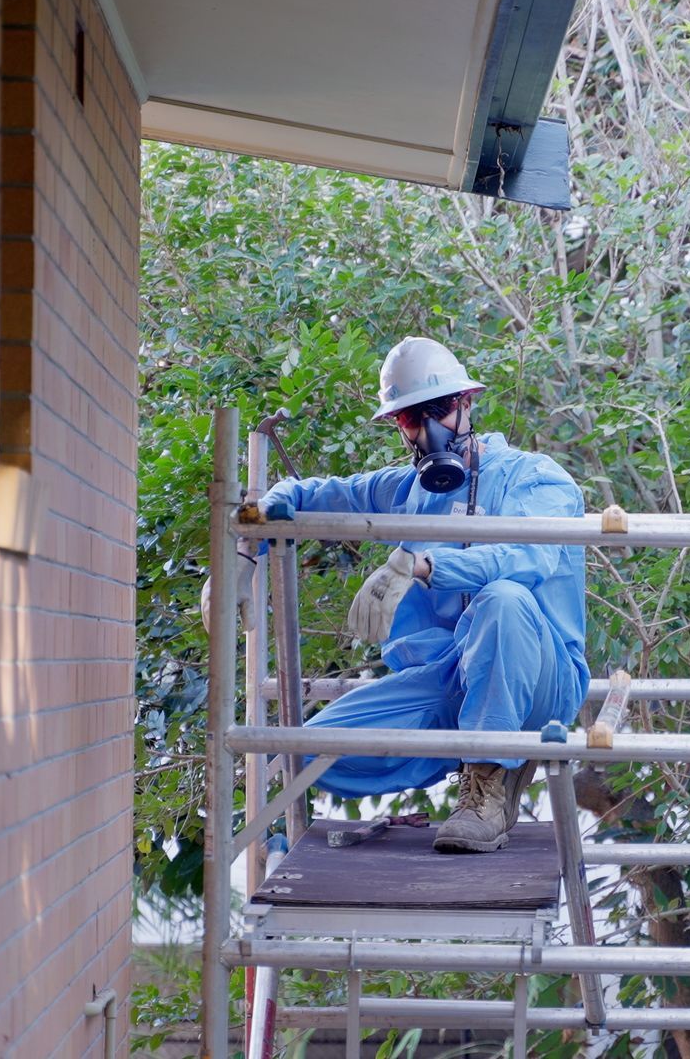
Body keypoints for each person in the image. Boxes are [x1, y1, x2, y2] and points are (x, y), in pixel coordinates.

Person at [213, 337, 589, 853]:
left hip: (538, 681)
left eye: (438, 410)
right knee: (304, 751)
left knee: (503, 598)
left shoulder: (535, 478)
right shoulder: (405, 491)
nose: (429, 429)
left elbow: (528, 556)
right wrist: (243, 545)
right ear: (398, 425)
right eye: (413, 418)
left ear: (466, 403)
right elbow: (301, 494)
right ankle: (468, 748)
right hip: (448, 680)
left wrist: (422, 565)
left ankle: (488, 781)